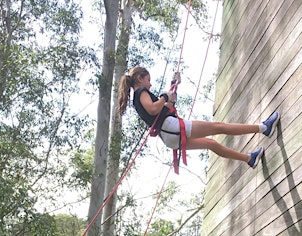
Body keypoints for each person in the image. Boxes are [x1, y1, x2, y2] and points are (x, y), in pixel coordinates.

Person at [117, 66, 280, 168]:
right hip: (171, 128)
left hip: (168, 137)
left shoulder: (138, 99)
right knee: (218, 127)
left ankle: (249, 159)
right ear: (139, 79)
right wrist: (165, 97)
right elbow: (153, 109)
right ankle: (264, 128)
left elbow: (165, 108)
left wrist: (173, 88)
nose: (150, 84)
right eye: (148, 80)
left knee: (211, 144)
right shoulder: (140, 92)